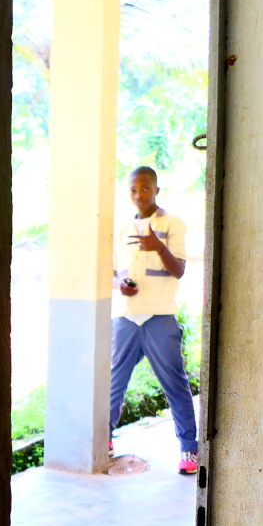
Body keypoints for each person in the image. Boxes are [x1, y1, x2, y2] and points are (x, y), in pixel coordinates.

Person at [111, 166, 199, 475]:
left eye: (146, 188)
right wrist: (119, 282)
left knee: (175, 383)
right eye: (134, 189)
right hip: (126, 317)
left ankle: (189, 448)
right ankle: (104, 441)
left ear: (157, 189)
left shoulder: (171, 223)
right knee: (113, 382)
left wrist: (158, 246)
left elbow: (179, 270)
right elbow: (114, 270)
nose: (139, 195)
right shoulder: (122, 229)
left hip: (160, 316)